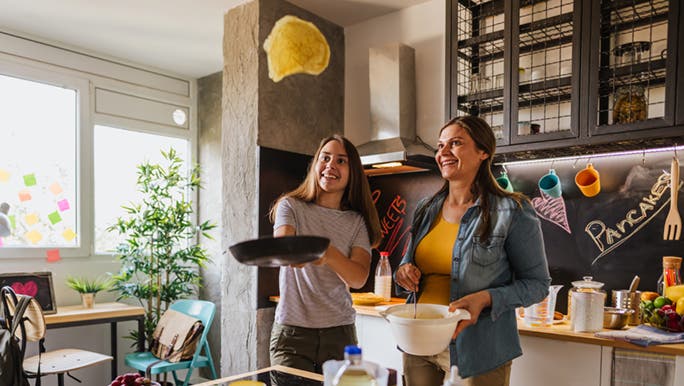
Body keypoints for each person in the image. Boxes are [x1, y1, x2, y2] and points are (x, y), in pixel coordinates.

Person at [395, 116, 551, 386]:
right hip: (420, 341)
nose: (443, 152)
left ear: (483, 152)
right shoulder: (425, 208)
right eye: (440, 145)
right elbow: (407, 264)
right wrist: (403, 272)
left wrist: (486, 298)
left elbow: (538, 285)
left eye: (455, 143)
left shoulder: (512, 210)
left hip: (480, 347)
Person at [269, 134, 382, 374]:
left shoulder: (356, 222)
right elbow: (283, 250)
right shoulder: (290, 206)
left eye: (341, 161)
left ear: (353, 173)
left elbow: (358, 278)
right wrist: (297, 254)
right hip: (292, 333)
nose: (331, 165)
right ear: (315, 164)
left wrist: (328, 253)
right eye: (325, 158)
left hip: (339, 333)